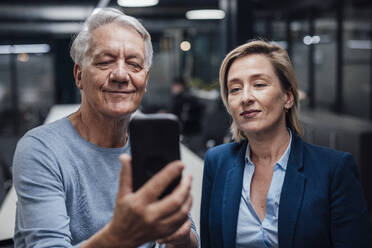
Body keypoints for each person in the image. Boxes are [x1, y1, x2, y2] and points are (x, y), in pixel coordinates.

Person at [12, 8, 199, 248]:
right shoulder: (41, 150)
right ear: (79, 75)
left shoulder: (152, 143)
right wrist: (120, 234)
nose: (121, 75)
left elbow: (189, 238)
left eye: (134, 64)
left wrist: (182, 238)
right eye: (104, 62)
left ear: (146, 80)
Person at [200, 40, 372, 248]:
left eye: (259, 84)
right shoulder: (217, 162)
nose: (245, 97)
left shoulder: (334, 169)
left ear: (288, 97)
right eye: (234, 89)